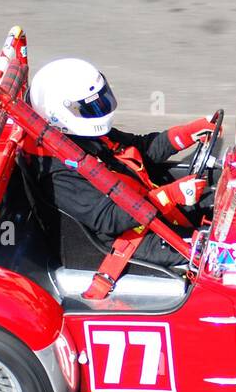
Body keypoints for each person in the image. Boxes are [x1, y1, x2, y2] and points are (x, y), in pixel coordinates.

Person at [27, 58, 214, 267]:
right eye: (91, 107)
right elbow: (109, 218)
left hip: (148, 208)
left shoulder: (86, 136)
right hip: (129, 238)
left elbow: (139, 149)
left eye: (100, 101)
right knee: (222, 255)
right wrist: (168, 196)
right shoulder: (58, 172)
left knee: (225, 203)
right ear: (58, 115)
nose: (101, 108)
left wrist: (185, 134)